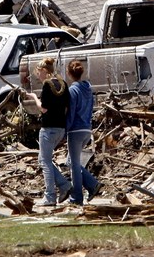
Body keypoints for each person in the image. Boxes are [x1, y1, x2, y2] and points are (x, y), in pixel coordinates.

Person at [26, 57, 72, 207]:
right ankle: (65, 186)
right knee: (44, 159)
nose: (38, 76)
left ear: (45, 71)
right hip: (60, 127)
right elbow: (66, 107)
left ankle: (50, 196)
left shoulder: (47, 85)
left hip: (48, 127)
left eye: (38, 72)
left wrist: (34, 98)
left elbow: (43, 108)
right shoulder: (63, 84)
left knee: (44, 161)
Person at [65, 59, 103, 205]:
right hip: (87, 129)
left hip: (75, 130)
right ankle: (92, 185)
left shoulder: (72, 90)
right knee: (71, 161)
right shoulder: (88, 88)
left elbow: (71, 112)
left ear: (69, 73)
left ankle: (76, 197)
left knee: (73, 164)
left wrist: (65, 130)